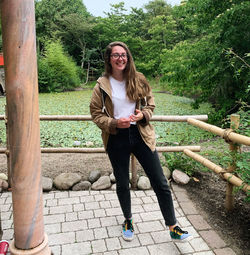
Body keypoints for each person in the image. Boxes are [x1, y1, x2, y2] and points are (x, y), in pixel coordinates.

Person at [90, 41, 192, 242]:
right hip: (116, 137)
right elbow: (95, 113)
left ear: (128, 58)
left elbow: (150, 104)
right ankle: (128, 219)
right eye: (116, 55)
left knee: (160, 181)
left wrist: (142, 115)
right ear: (109, 59)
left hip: (141, 135)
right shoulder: (101, 85)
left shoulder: (138, 79)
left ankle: (173, 226)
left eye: (124, 55)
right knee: (122, 182)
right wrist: (113, 123)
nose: (121, 58)